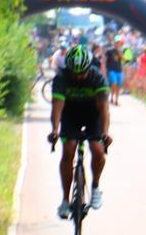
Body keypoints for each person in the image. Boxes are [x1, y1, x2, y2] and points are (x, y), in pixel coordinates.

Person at [48, 45, 112, 219]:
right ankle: (65, 200)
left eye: (82, 73)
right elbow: (57, 107)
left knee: (97, 150)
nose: (78, 77)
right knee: (68, 150)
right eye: (74, 73)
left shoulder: (97, 78)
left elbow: (104, 109)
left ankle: (95, 187)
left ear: (88, 68)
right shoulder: (61, 78)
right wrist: (54, 130)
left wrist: (105, 132)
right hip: (71, 115)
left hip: (93, 115)